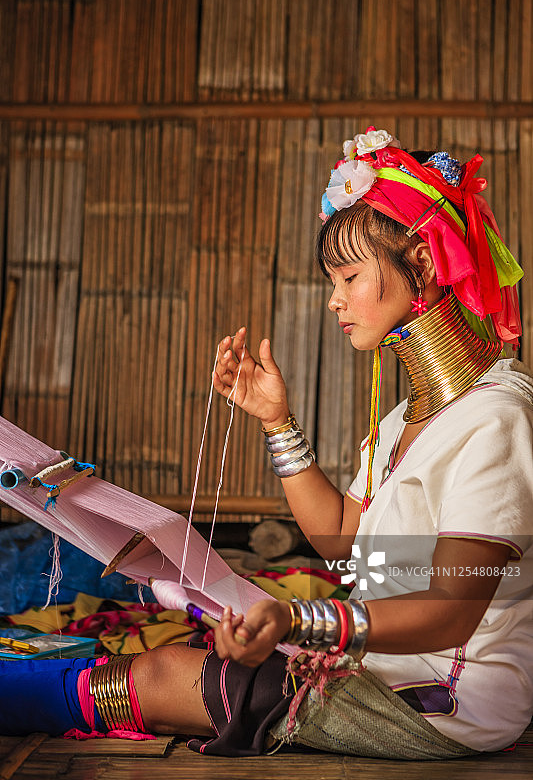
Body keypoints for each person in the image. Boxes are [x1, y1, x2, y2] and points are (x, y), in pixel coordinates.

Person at [1, 128, 531, 760]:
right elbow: (343, 539)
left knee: (173, 674)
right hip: (387, 659)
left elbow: (451, 611)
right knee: (196, 657)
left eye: (349, 276)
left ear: (422, 263)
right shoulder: (404, 421)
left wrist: (300, 621)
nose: (334, 300)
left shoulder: (495, 420)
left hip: (452, 698)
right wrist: (276, 420)